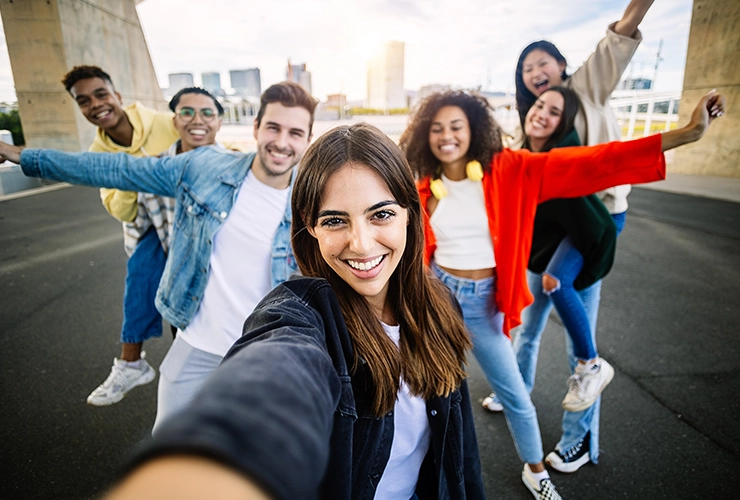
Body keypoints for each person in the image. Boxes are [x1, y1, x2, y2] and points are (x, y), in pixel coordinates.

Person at [105, 122, 485, 499]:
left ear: (409, 214)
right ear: (311, 228)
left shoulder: (439, 305)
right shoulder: (301, 313)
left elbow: (459, 446)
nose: (361, 243)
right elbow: (277, 372)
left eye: (380, 214)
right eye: (335, 220)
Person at [398, 88, 724, 500]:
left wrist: (687, 133)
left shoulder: (511, 169)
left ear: (473, 128)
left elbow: (596, 161)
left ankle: (536, 471)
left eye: (456, 126)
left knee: (516, 395)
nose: (446, 135)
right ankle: (409, 477)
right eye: (437, 128)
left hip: (482, 305)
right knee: (415, 390)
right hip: (436, 300)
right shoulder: (424, 183)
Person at [0, 81, 317, 430]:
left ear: (307, 139)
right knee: (166, 449)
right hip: (196, 345)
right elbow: (117, 169)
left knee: (248, 460)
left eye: (295, 132)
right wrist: (22, 156)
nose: (282, 142)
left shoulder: (311, 202)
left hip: (264, 355)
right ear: (256, 128)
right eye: (273, 127)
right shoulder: (203, 167)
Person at [504, 0, 660, 472]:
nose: (536, 72)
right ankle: (516, 390)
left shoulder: (586, 88)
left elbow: (623, 29)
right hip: (551, 232)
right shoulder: (529, 122)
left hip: (593, 225)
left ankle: (579, 441)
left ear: (562, 67)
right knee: (527, 325)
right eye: (527, 67)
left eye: (542, 62)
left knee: (580, 342)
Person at [486, 87, 619, 417]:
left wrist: (575, 268)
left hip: (587, 235)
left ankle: (590, 365)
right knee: (528, 329)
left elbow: (595, 221)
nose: (542, 113)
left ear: (563, 123)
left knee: (556, 281)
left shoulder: (565, 159)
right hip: (544, 247)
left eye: (554, 112)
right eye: (540, 105)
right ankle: (516, 390)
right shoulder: (521, 154)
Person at [61, 65, 180, 406]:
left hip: (188, 217)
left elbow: (206, 144)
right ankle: (132, 362)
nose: (95, 104)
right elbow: (122, 211)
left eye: (101, 94)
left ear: (118, 97)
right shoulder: (100, 154)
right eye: (84, 101)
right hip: (151, 226)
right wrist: (131, 171)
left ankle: (132, 360)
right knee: (143, 268)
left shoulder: (162, 123)